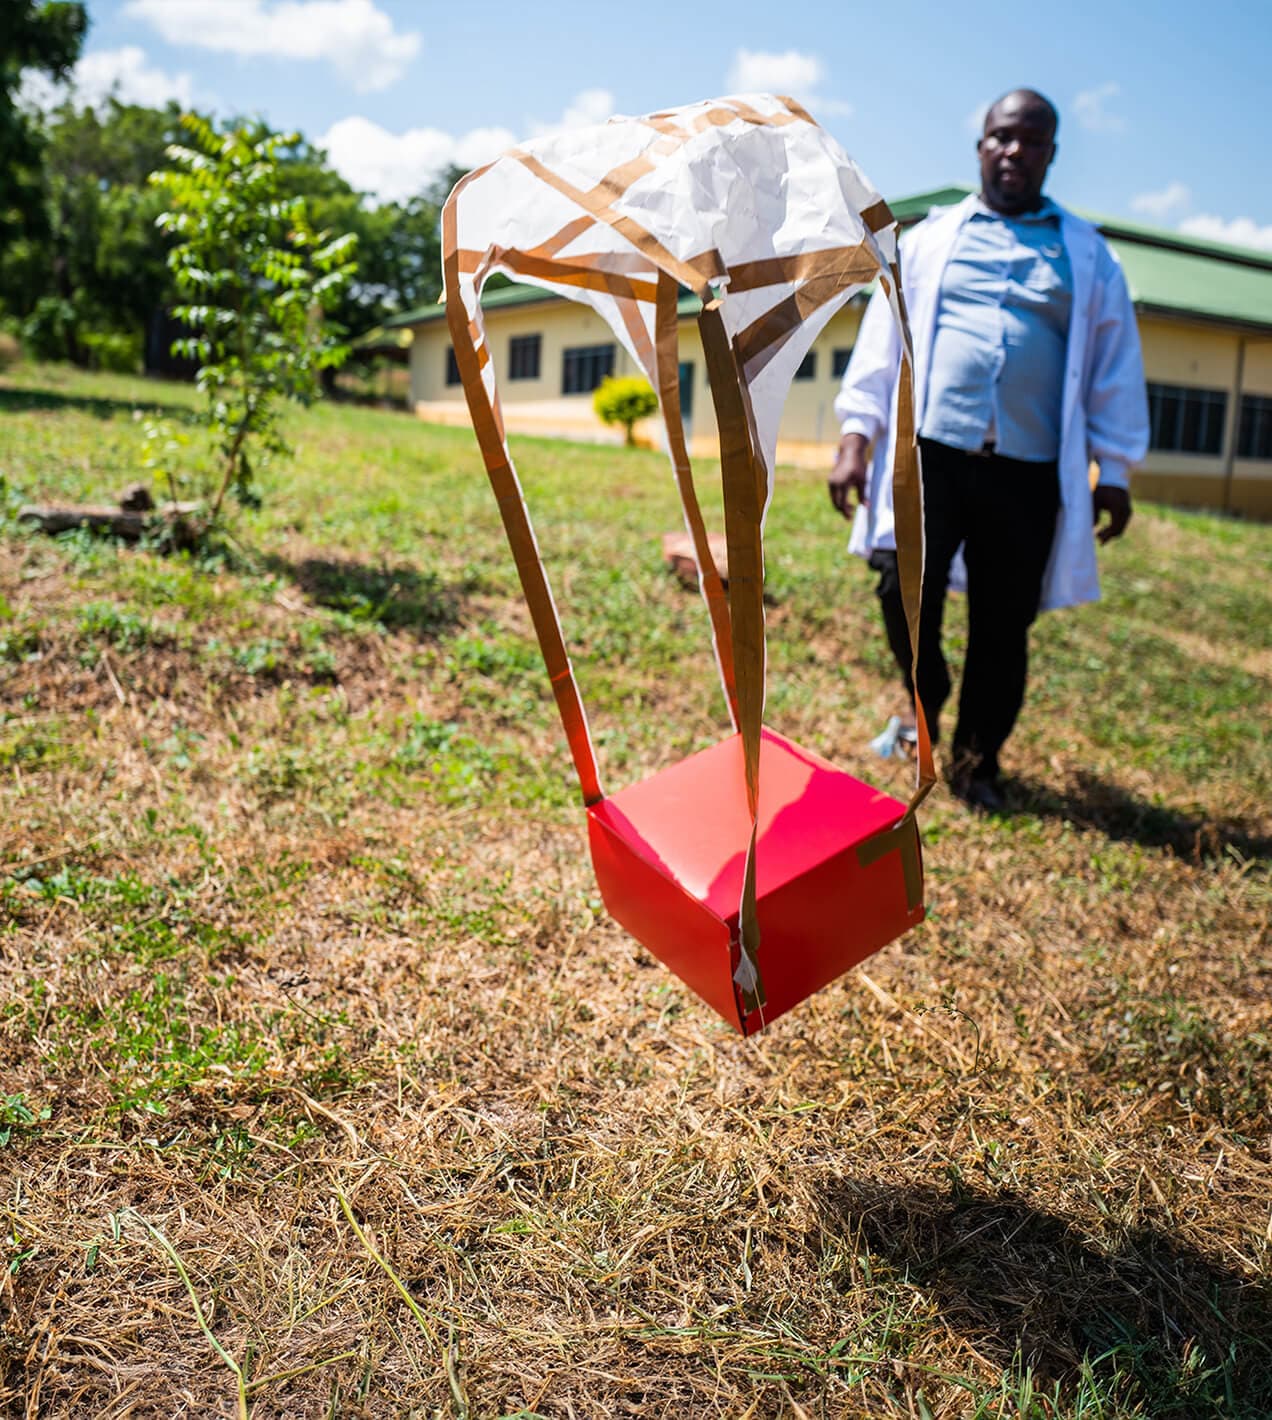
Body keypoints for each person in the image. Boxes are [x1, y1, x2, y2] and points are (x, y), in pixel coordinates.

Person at [829, 88, 1149, 811]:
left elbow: (1113, 366)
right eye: (1002, 137)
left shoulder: (1089, 256)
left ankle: (976, 763)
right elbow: (884, 344)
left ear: (1051, 155)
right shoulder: (932, 239)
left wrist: (1116, 469)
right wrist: (857, 438)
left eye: (1031, 141)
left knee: (1004, 625)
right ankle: (924, 702)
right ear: (980, 146)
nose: (1014, 150)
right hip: (930, 456)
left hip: (1028, 474)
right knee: (899, 588)